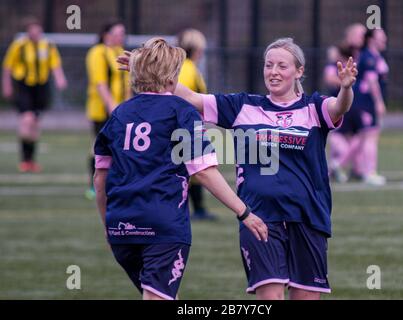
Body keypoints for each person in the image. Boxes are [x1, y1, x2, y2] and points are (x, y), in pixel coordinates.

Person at [118, 36, 357, 300]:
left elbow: (339, 107)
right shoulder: (243, 105)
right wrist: (149, 73)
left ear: (299, 71)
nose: (273, 72)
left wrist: (345, 88)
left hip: (309, 216)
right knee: (271, 297)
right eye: (268, 65)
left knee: (305, 297)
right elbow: (192, 97)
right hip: (260, 217)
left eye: (282, 66)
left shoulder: (314, 107)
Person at [94, 38, 268, 300]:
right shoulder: (180, 111)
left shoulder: (119, 114)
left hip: (122, 227)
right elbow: (204, 172)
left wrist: (108, 226)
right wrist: (244, 212)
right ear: (172, 77)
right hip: (163, 227)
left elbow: (100, 178)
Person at [2, 17, 67, 173]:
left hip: (41, 87)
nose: (35, 33)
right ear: (27, 31)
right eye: (32, 30)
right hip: (24, 86)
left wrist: (60, 78)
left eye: (38, 30)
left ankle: (31, 160)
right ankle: (24, 159)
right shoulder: (19, 46)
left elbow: (55, 64)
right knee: (27, 119)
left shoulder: (48, 45)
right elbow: (8, 67)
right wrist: (6, 86)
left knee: (35, 124)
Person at [85, 21, 131, 199]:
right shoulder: (97, 52)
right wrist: (111, 106)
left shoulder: (120, 52)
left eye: (123, 33)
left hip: (119, 108)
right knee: (99, 146)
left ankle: (113, 183)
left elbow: (127, 84)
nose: (122, 36)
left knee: (118, 146)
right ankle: (93, 185)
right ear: (106, 35)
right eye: (119, 33)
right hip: (102, 109)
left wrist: (127, 105)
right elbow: (100, 83)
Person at [177, 28, 216, 220]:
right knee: (196, 168)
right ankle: (195, 209)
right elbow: (180, 100)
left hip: (190, 126)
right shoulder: (187, 68)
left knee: (195, 168)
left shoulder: (189, 67)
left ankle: (198, 209)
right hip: (185, 128)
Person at [325, 23, 366, 183]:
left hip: (358, 105)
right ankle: (334, 167)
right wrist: (345, 83)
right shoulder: (339, 52)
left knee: (359, 137)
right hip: (342, 105)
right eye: (360, 34)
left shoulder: (364, 53)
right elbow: (329, 76)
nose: (363, 38)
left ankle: (356, 169)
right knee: (344, 141)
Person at [352, 28, 389, 185]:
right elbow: (372, 81)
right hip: (366, 102)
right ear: (371, 40)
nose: (384, 40)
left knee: (363, 137)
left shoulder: (374, 56)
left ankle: (339, 165)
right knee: (370, 136)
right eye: (381, 37)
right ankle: (370, 173)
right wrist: (379, 102)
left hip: (365, 102)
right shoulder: (369, 58)